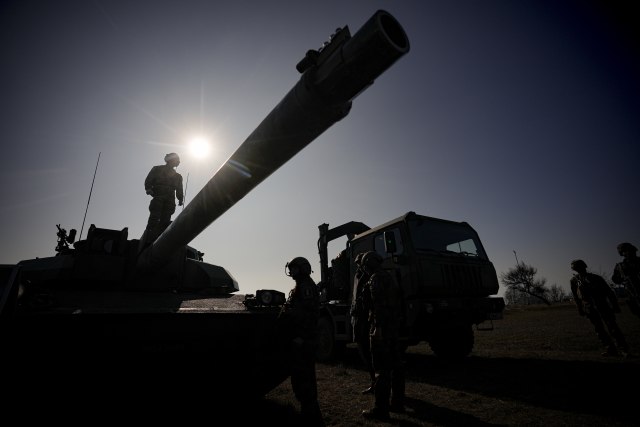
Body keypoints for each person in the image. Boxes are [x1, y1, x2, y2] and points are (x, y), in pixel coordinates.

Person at [360, 251, 405, 421]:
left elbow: (378, 305)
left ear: (368, 264)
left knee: (381, 369)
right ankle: (397, 403)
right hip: (392, 327)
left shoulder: (375, 279)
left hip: (381, 329)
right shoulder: (389, 276)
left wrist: (377, 327)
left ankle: (381, 410)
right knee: (397, 366)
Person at [281, 256, 324, 426]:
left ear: (302, 269)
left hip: (304, 339)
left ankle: (311, 417)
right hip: (302, 338)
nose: (291, 272)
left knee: (304, 379)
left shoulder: (306, 287)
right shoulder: (301, 286)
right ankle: (310, 415)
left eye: (294, 268)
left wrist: (302, 336)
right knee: (301, 379)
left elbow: (310, 315)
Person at [570, 259, 629, 357]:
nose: (579, 269)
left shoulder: (596, 278)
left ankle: (623, 349)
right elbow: (576, 297)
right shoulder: (574, 281)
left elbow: (609, 292)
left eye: (580, 267)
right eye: (577, 268)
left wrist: (615, 305)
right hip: (590, 308)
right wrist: (580, 308)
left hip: (602, 305)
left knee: (613, 328)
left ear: (584, 267)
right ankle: (610, 349)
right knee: (599, 330)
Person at [350, 252, 376, 394]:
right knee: (363, 350)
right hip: (358, 319)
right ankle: (374, 380)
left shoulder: (369, 276)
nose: (358, 265)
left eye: (359, 262)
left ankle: (376, 382)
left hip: (366, 320)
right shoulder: (358, 276)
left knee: (370, 352)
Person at [143, 152, 184, 243]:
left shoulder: (178, 176)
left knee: (166, 219)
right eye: (174, 160)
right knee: (154, 216)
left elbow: (179, 189)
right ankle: (149, 236)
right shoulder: (157, 169)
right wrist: (148, 188)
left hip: (170, 198)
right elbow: (149, 180)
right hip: (159, 195)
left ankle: (160, 237)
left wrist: (180, 198)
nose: (176, 162)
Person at [612, 242, 640, 318]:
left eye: (632, 251)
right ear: (623, 253)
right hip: (633, 294)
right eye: (627, 251)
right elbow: (615, 279)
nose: (631, 253)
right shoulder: (620, 266)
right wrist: (624, 279)